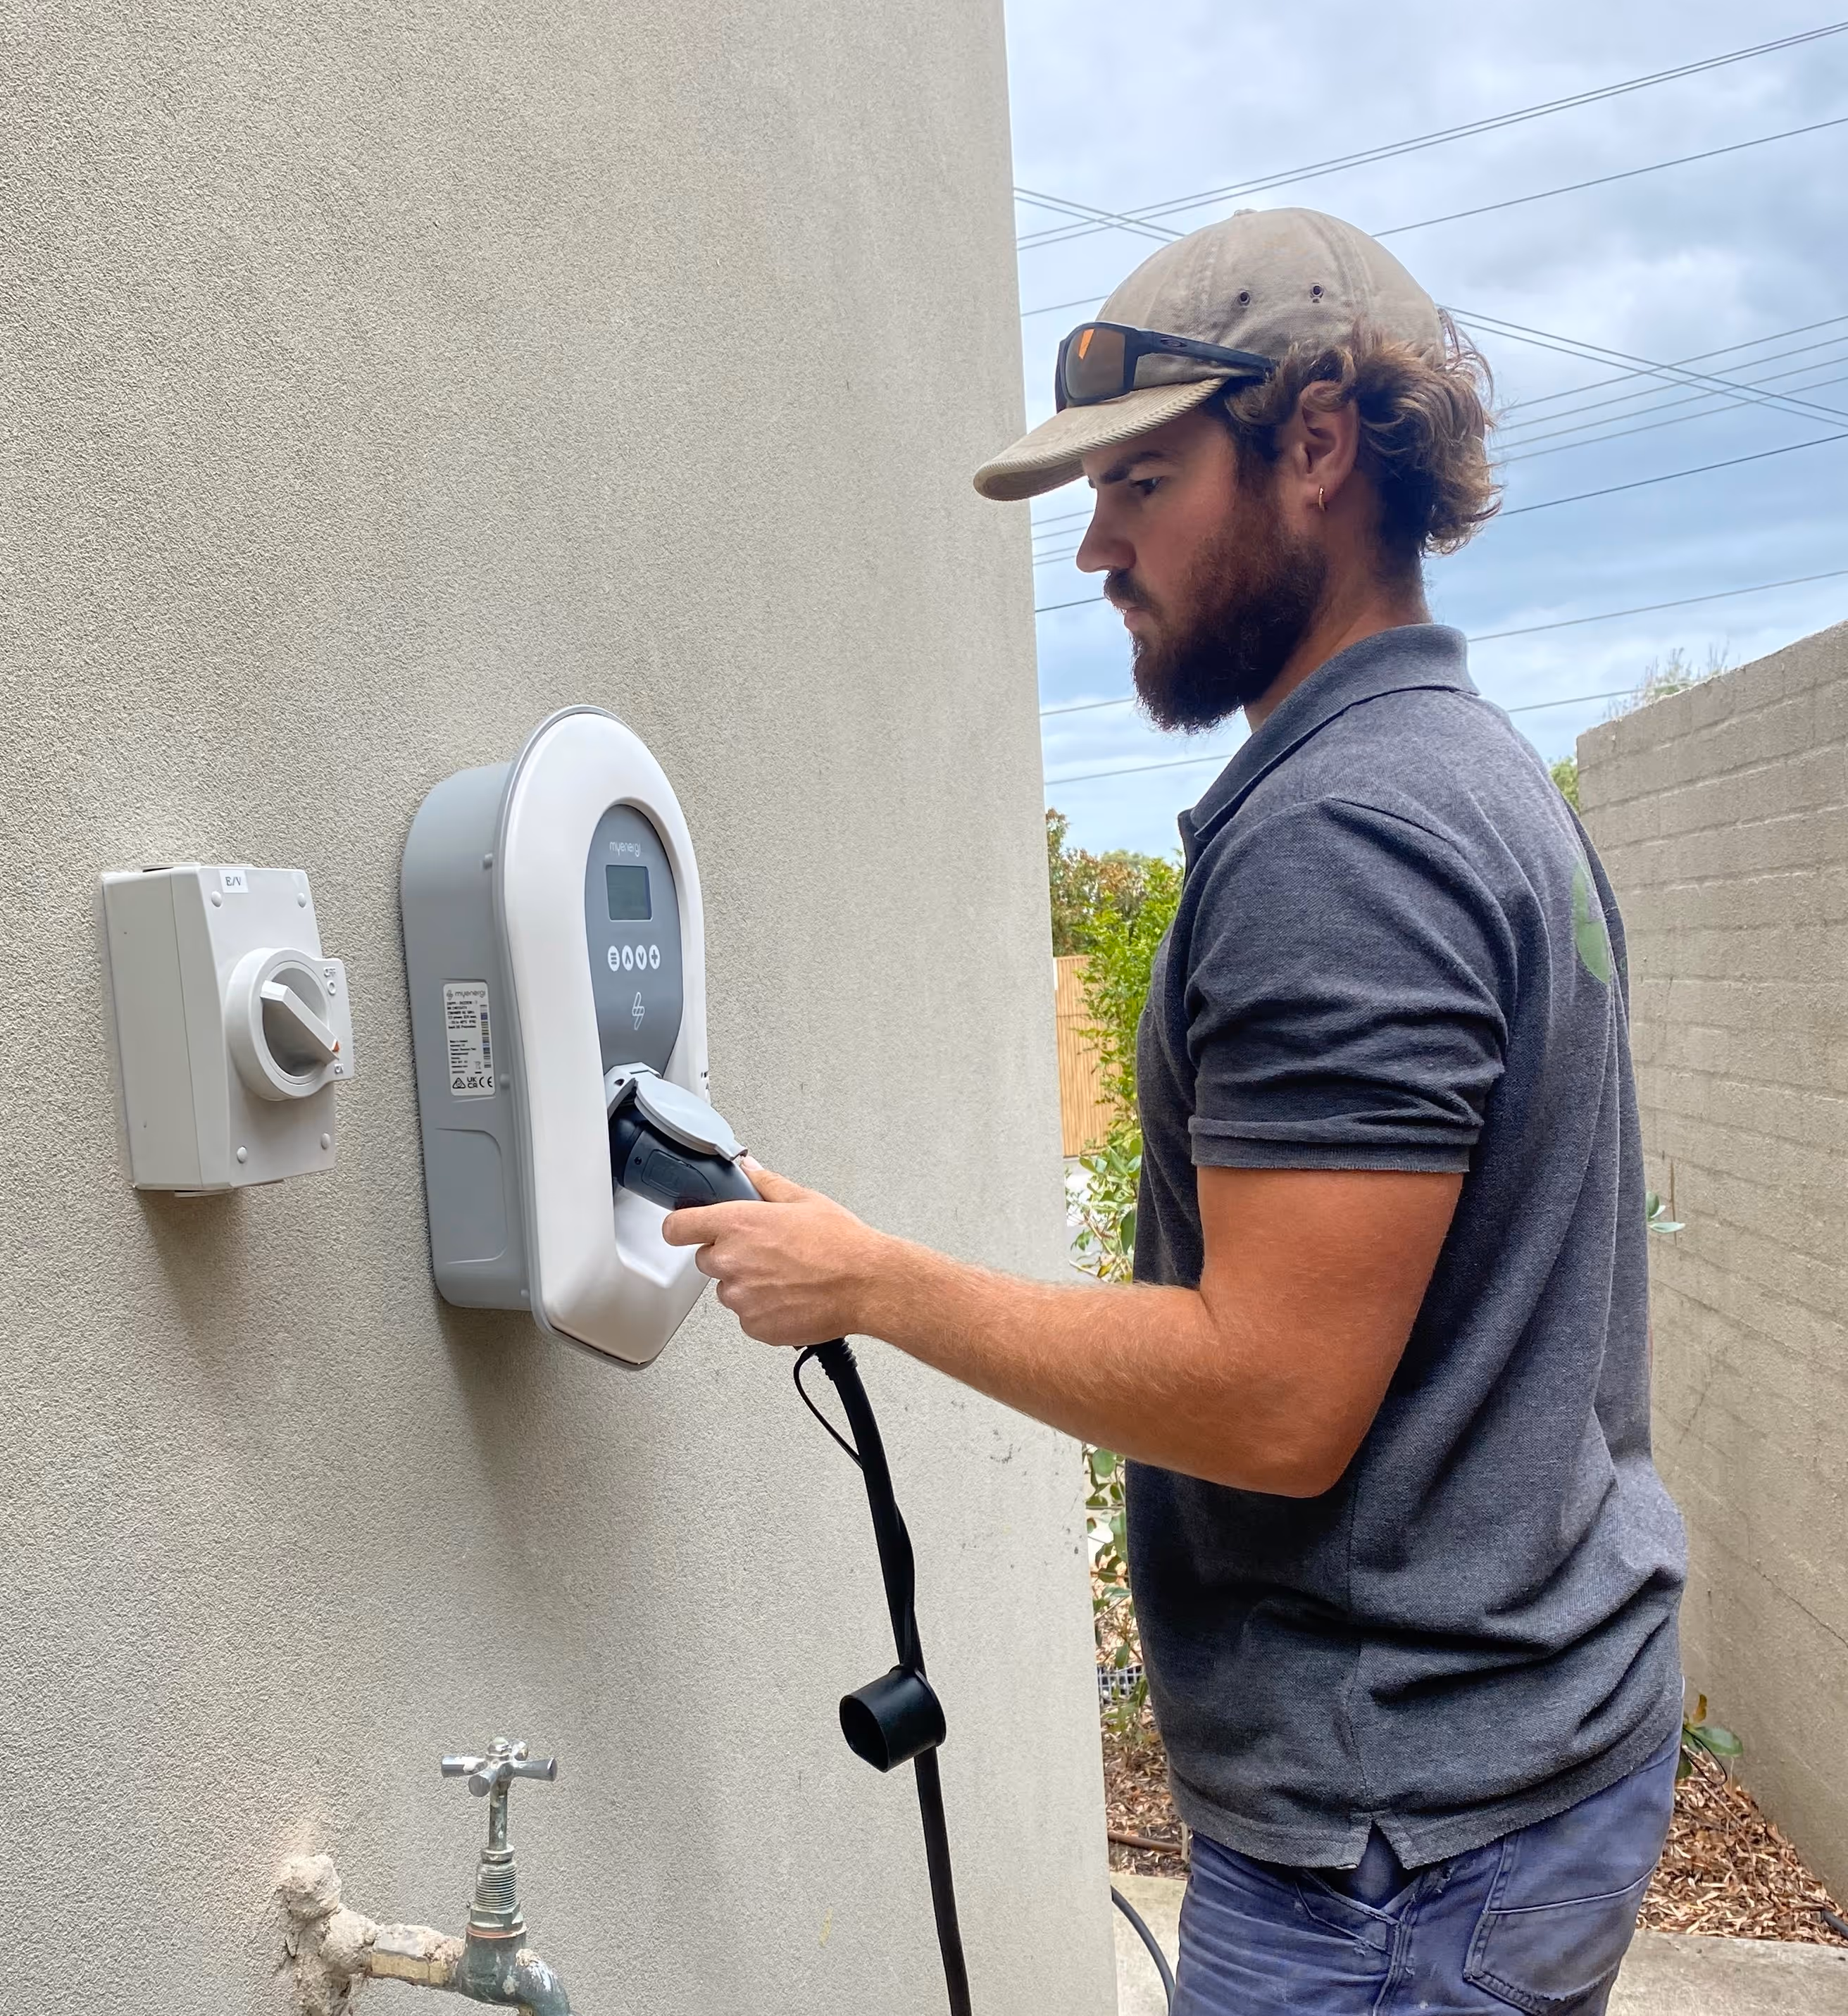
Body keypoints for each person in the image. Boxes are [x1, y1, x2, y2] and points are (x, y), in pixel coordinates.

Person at [663, 207, 1687, 2015]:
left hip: (1396, 1848)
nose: (1096, 547)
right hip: (1530, 1761)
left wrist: (868, 1280)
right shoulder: (1480, 774)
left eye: (1141, 480)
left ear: (1311, 447)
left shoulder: (1343, 840)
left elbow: (1277, 1396)